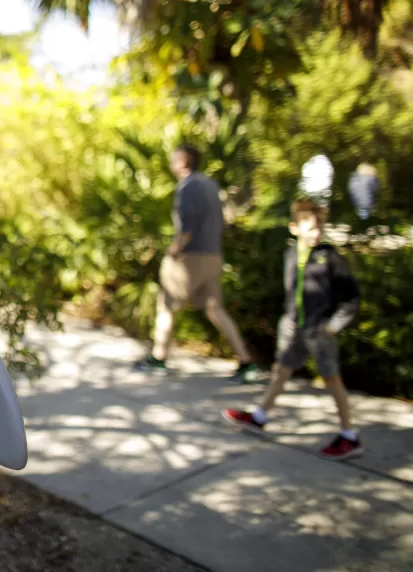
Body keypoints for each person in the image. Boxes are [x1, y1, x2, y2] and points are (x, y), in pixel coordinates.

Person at [222, 200, 363, 460]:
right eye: (310, 228)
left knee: (332, 379)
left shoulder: (330, 258)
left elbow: (352, 298)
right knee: (281, 370)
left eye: (319, 228)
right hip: (294, 326)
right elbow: (292, 292)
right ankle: (260, 415)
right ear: (294, 228)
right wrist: (287, 321)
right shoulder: (290, 255)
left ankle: (349, 435)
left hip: (319, 330)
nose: (316, 233)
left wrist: (333, 326)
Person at [132, 143, 259, 382]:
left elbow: (187, 225)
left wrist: (174, 250)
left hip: (191, 257)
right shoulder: (210, 184)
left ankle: (158, 358)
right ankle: (246, 361)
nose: (170, 164)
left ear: (182, 160)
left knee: (166, 305)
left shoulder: (188, 186)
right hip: (213, 254)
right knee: (215, 309)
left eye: (173, 159)